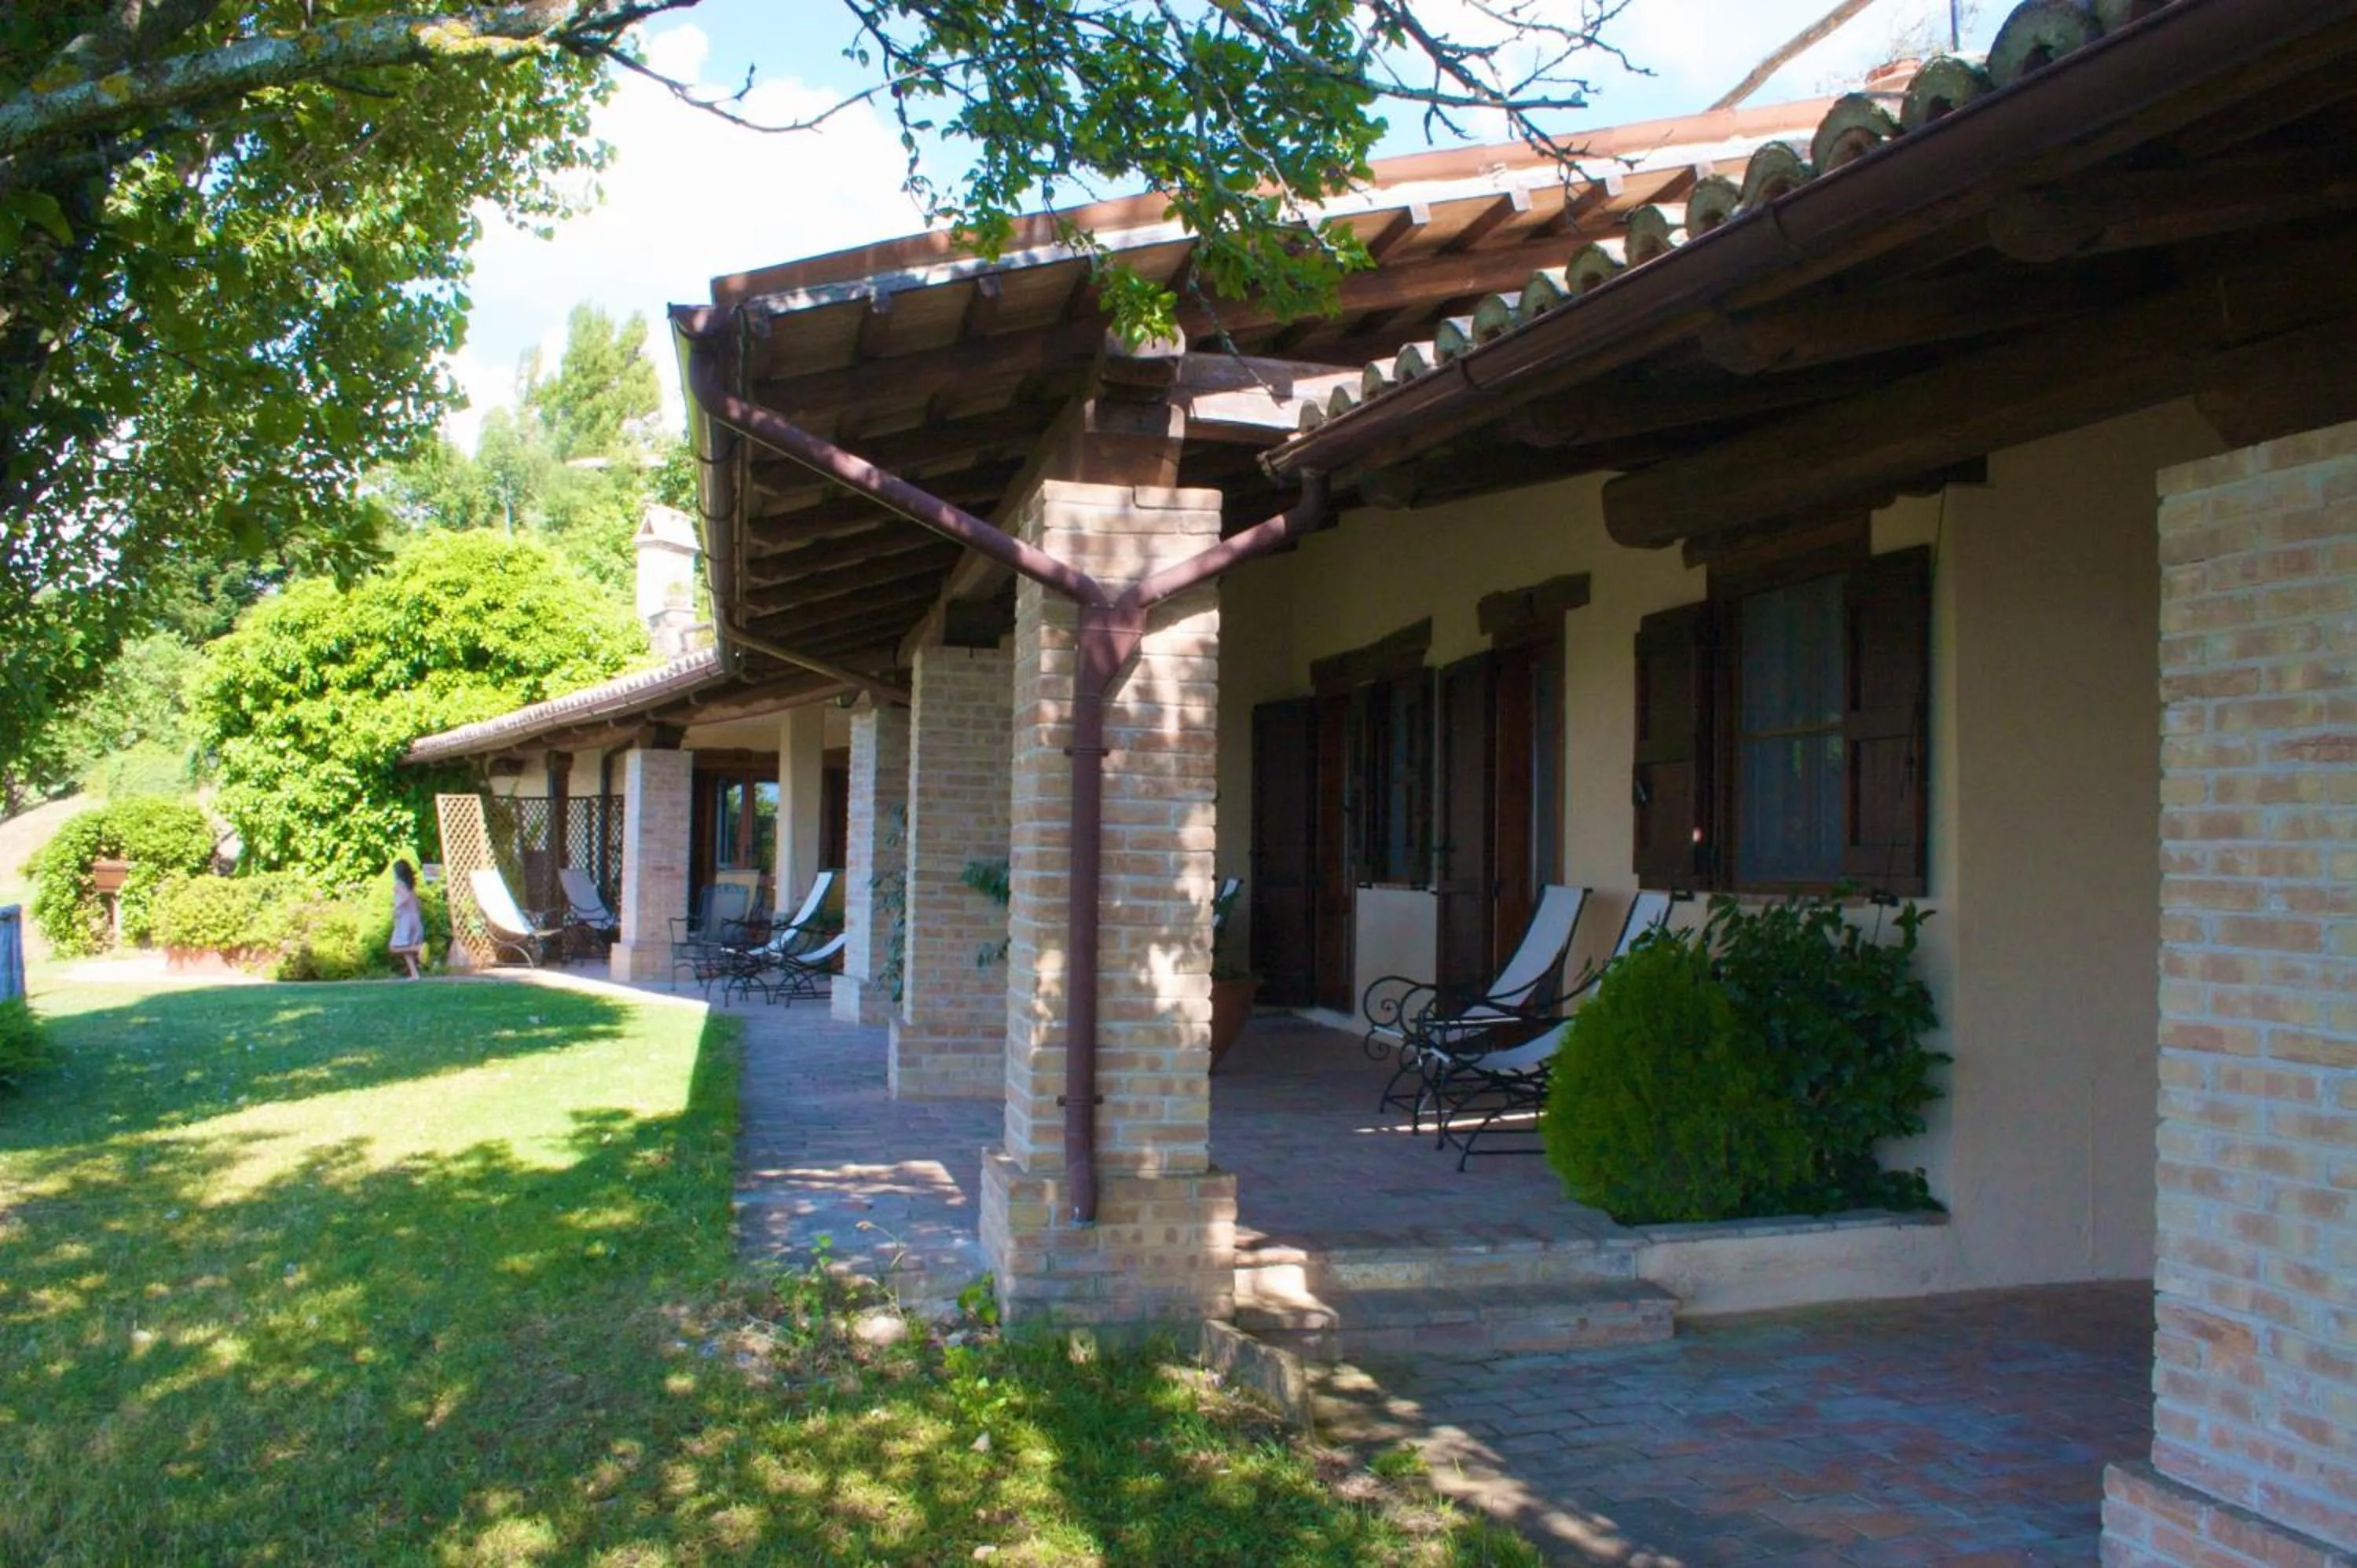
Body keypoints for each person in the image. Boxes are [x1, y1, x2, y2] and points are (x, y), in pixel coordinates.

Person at [389, 859, 426, 980]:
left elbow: (405, 897)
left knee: (394, 948)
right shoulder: (410, 887)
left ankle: (418, 948)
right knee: (407, 947)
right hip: (414, 917)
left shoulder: (398, 884)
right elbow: (418, 903)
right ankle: (415, 974)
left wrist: (396, 909)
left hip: (405, 919)